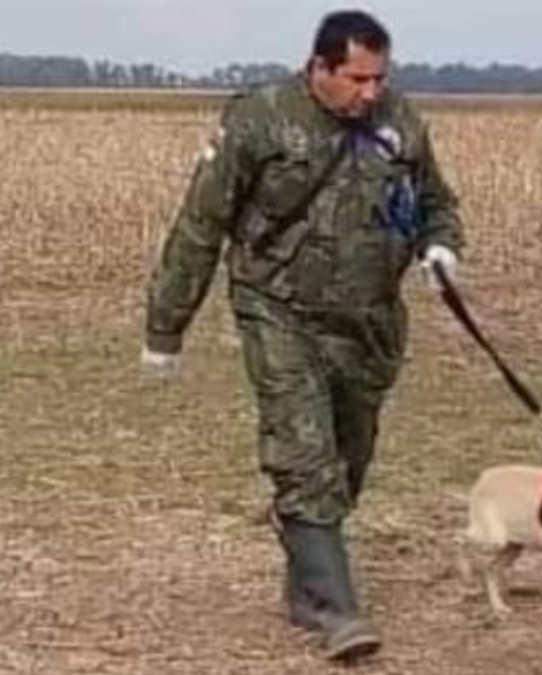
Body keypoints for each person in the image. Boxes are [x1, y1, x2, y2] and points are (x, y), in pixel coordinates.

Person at [142, 9, 464, 661]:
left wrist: (440, 248)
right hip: (278, 311)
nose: (370, 92)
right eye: (357, 78)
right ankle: (341, 613)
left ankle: (306, 587)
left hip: (369, 323)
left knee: (347, 461)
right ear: (320, 67)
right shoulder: (260, 118)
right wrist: (165, 326)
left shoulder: (400, 122)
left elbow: (437, 203)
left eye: (380, 78)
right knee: (304, 453)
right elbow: (201, 224)